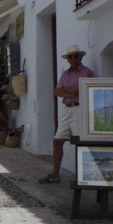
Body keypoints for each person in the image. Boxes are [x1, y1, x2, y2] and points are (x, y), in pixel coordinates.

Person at [42, 44, 94, 184]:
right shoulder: (65, 74)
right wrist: (68, 91)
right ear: (68, 59)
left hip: (79, 108)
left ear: (80, 57)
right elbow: (56, 91)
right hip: (67, 109)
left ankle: (83, 176)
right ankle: (55, 174)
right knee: (57, 141)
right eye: (70, 57)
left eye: (75, 56)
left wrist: (67, 91)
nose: (73, 59)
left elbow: (76, 90)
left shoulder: (86, 72)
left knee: (80, 142)